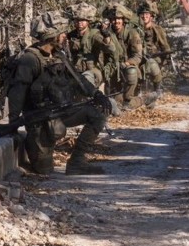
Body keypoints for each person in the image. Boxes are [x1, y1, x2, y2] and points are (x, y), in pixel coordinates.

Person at [6, 11, 111, 175]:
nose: (65, 36)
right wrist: (13, 122)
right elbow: (17, 92)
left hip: (61, 112)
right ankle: (33, 144)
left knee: (97, 115)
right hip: (40, 120)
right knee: (44, 170)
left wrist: (96, 94)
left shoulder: (59, 55)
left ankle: (77, 162)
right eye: (61, 33)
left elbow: (78, 79)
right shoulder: (30, 60)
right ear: (52, 35)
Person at [66, 3, 116, 90]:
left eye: (83, 20)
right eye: (77, 20)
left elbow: (111, 48)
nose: (79, 23)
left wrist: (106, 35)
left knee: (86, 79)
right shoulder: (71, 35)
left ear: (88, 21)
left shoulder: (94, 35)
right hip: (75, 71)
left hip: (93, 72)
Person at [108, 3, 144, 107]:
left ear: (123, 20)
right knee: (115, 101)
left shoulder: (132, 33)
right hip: (112, 68)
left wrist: (127, 63)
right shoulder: (107, 33)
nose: (116, 21)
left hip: (126, 67)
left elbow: (138, 56)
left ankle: (133, 99)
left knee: (132, 72)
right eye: (114, 19)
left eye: (119, 18)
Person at [137, 2, 171, 97]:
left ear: (151, 16)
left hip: (154, 56)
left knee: (152, 64)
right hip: (139, 56)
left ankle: (157, 88)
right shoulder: (135, 30)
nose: (144, 16)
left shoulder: (157, 29)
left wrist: (167, 57)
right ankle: (138, 88)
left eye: (147, 14)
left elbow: (164, 45)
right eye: (142, 14)